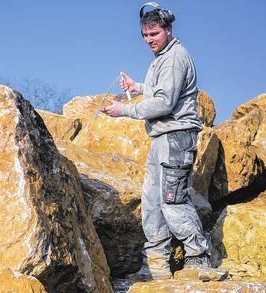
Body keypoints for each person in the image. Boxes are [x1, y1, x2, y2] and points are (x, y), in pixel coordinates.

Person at [102, 2, 211, 280]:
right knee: (151, 202)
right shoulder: (162, 57)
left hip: (176, 137)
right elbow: (158, 88)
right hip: (161, 138)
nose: (149, 40)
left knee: (173, 201)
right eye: (145, 35)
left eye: (154, 34)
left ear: (168, 29)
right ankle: (156, 267)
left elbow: (163, 102)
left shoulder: (175, 57)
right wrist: (137, 87)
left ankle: (199, 259)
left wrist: (123, 110)